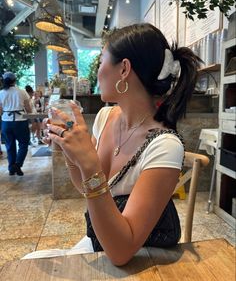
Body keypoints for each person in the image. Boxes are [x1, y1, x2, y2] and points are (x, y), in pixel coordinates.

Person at [23, 23, 201, 264]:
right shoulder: (107, 117)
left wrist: (89, 164)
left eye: (101, 60)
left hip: (145, 256)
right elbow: (87, 187)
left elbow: (121, 252)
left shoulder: (165, 145)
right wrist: (70, 151)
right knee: (30, 260)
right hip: (101, 240)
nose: (97, 71)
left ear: (124, 69)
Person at [0, 72, 32, 175]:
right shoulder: (22, 92)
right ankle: (17, 165)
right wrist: (31, 116)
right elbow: (28, 109)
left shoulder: (1, 93)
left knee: (9, 145)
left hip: (6, 122)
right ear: (15, 80)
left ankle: (11, 169)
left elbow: (0, 110)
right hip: (20, 121)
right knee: (23, 144)